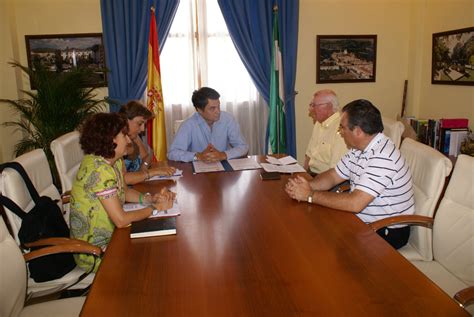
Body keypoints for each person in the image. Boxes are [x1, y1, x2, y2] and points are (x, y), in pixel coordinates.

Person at [285, 99, 415, 249]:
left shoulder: (383, 157)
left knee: (319, 243)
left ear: (358, 131)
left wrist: (310, 195)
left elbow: (355, 203)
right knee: (313, 231)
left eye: (342, 128)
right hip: (362, 220)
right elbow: (334, 175)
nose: (340, 132)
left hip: (386, 230)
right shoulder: (359, 148)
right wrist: (307, 186)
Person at [70, 112, 176, 272]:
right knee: (155, 261)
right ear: (110, 139)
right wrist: (155, 209)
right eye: (124, 136)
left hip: (113, 236)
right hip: (96, 251)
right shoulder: (99, 170)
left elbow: (124, 191)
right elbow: (121, 220)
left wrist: (149, 199)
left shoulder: (114, 160)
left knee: (160, 251)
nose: (128, 140)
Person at [167, 87, 249, 162]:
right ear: (199, 110)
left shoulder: (228, 119)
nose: (218, 111)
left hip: (224, 168)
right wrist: (197, 156)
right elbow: (172, 153)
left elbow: (243, 146)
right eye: (212, 108)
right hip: (198, 171)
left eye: (218, 106)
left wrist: (223, 155)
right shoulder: (188, 124)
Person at [119, 101, 175, 184]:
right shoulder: (117, 143)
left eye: (144, 124)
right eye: (139, 123)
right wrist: (151, 172)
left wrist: (143, 169)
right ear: (126, 120)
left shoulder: (134, 137)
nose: (142, 129)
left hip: (138, 185)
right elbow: (124, 179)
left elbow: (146, 157)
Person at [304, 89, 347, 175]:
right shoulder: (319, 123)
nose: (310, 109)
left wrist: (311, 184)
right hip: (312, 174)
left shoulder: (342, 127)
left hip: (327, 179)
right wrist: (303, 175)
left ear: (329, 107)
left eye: (313, 105)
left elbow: (335, 171)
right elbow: (309, 155)